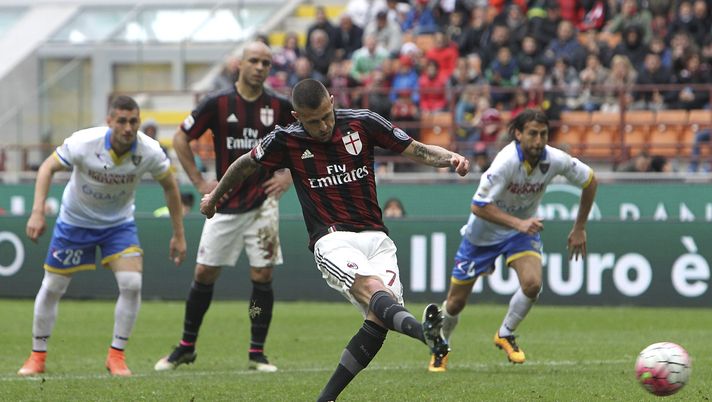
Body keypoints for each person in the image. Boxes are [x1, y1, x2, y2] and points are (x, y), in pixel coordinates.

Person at [199, 79, 469, 400]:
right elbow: (245, 165)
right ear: (297, 116)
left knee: (380, 317)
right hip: (332, 238)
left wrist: (451, 157)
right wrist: (214, 197)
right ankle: (426, 334)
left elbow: (417, 149)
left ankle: (327, 398)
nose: (324, 126)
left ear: (332, 99)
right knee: (374, 291)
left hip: (378, 238)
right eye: (313, 121)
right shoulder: (285, 140)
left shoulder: (363, 122)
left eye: (327, 115)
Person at [17, 95, 187, 377]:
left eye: (133, 121)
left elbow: (170, 187)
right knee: (53, 287)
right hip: (75, 221)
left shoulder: (150, 151)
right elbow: (47, 167)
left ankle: (116, 356)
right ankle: (37, 356)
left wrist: (178, 234)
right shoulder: (83, 142)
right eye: (121, 121)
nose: (128, 127)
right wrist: (37, 211)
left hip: (118, 224)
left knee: (131, 283)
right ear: (109, 121)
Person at [154, 41, 294, 373]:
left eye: (266, 62)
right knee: (204, 272)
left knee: (262, 275)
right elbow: (179, 139)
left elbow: (305, 141)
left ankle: (257, 352)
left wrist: (287, 173)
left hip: (263, 205)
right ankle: (186, 346)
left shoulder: (279, 106)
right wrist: (200, 182)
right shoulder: (218, 103)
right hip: (224, 203)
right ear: (239, 65)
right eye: (254, 61)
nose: (261, 67)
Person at [427, 109, 597, 372]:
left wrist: (580, 227)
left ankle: (505, 333)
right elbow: (478, 206)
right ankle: (442, 345)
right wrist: (520, 223)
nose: (538, 140)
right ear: (518, 134)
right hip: (482, 234)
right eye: (532, 134)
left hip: (520, 233)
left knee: (532, 285)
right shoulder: (505, 162)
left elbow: (590, 180)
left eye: (543, 134)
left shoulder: (555, 159)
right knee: (455, 302)